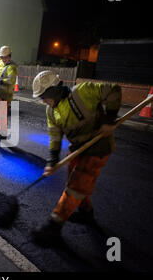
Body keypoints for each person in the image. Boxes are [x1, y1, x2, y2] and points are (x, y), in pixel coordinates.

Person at [30, 70, 121, 246]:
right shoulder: (51, 111)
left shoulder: (83, 92)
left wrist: (109, 120)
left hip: (98, 146)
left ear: (53, 92)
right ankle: (86, 213)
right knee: (75, 181)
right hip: (78, 149)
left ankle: (54, 225)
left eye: (43, 96)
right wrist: (52, 160)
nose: (42, 101)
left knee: (76, 185)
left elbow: (114, 90)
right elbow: (55, 136)